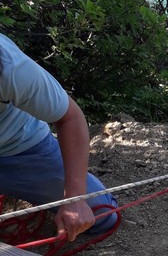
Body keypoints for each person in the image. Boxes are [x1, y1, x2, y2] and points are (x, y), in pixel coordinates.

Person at [0, 33, 119, 241]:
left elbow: (70, 118)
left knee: (101, 213)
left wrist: (75, 198)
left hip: (18, 149)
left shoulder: (10, 67)